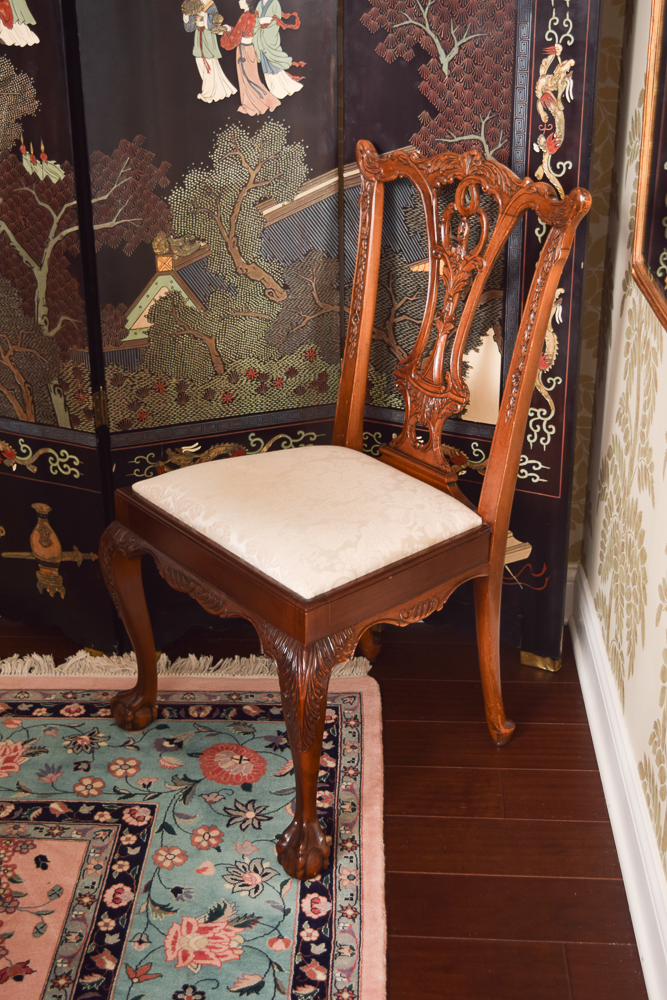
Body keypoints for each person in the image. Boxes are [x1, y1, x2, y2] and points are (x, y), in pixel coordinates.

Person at [218, 0, 280, 117]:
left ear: (247, 2)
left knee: (247, 79)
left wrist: (224, 33)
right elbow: (243, 31)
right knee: (252, 78)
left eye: (241, 0)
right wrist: (229, 29)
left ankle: (254, 105)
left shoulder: (244, 16)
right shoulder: (254, 14)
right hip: (251, 49)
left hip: (243, 51)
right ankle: (261, 103)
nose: (239, 2)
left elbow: (235, 37)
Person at [182, 0, 237, 103]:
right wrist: (186, 17)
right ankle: (210, 90)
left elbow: (216, 21)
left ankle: (209, 93)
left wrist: (205, 18)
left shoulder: (211, 4)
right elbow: (191, 27)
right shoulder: (196, 3)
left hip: (208, 36)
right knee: (200, 62)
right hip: (199, 37)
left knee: (210, 64)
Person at [254, 0, 303, 99]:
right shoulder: (260, 3)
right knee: (265, 63)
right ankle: (272, 88)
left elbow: (277, 21)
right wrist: (259, 29)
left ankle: (280, 87)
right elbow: (256, 20)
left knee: (274, 62)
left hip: (269, 36)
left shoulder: (275, 2)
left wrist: (265, 32)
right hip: (261, 38)